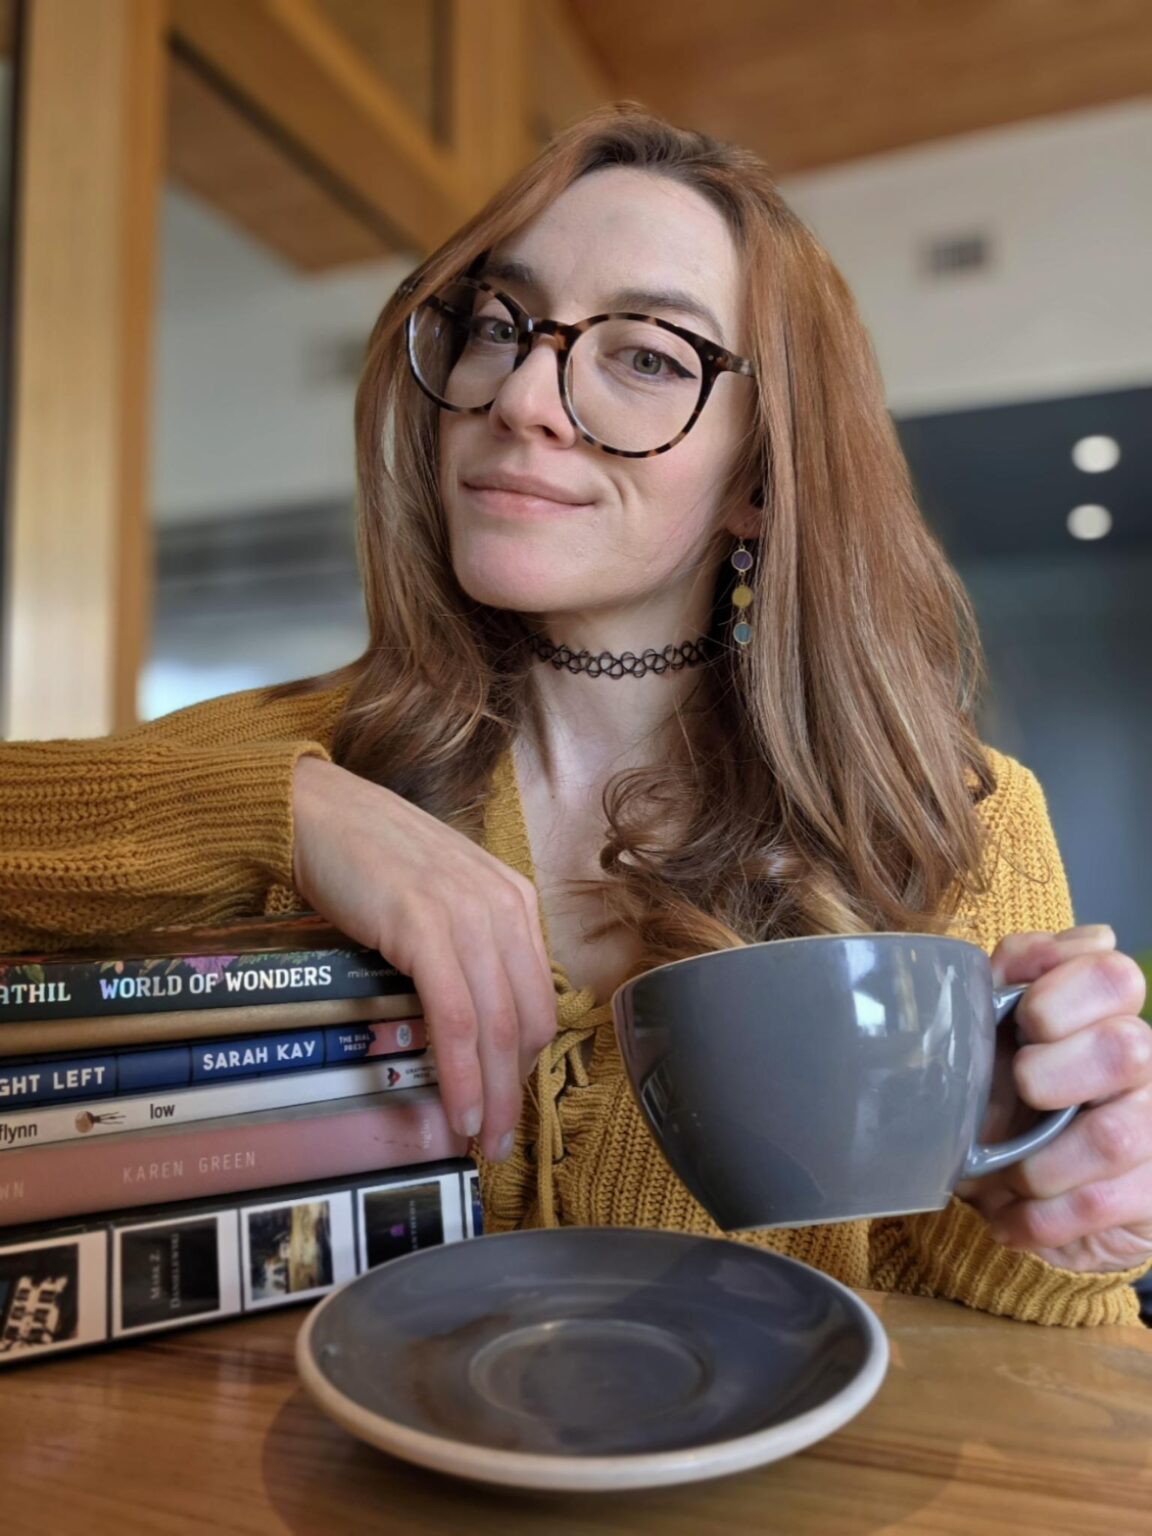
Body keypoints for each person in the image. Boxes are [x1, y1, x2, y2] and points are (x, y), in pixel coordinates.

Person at [1, 106, 1149, 1326]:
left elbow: (1016, 1376)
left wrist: (1066, 1215)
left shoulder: (953, 824)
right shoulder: (291, 764)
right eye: (501, 326)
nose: (525, 397)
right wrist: (286, 812)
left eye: (648, 356)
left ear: (762, 479)